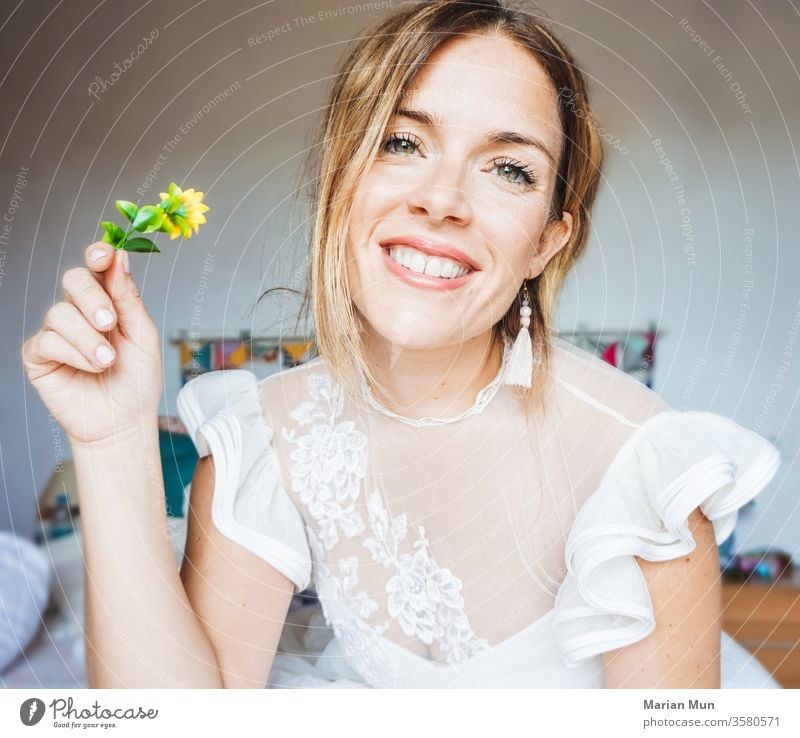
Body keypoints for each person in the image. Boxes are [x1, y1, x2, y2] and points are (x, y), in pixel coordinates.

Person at [22, 0, 781, 689]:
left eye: (509, 169)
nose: (442, 200)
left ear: (548, 240)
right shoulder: (263, 444)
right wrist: (112, 437)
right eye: (402, 141)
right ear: (341, 177)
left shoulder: (644, 476)